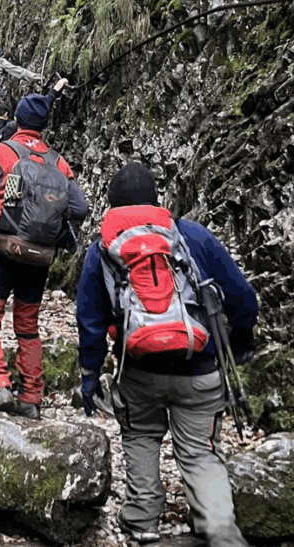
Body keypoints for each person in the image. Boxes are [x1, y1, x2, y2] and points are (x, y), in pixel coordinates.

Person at [76, 162, 258, 546]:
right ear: (158, 200)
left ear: (111, 205)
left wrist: (89, 377)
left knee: (141, 435)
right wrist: (241, 342)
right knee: (201, 454)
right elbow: (243, 297)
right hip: (200, 369)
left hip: (138, 370)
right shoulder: (192, 236)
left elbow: (90, 322)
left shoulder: (102, 250)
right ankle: (218, 528)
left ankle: (142, 519)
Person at [0, 82, 89, 418]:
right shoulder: (59, 163)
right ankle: (31, 397)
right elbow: (80, 209)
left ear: (16, 120)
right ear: (44, 126)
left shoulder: (1, 152)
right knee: (28, 326)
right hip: (39, 255)